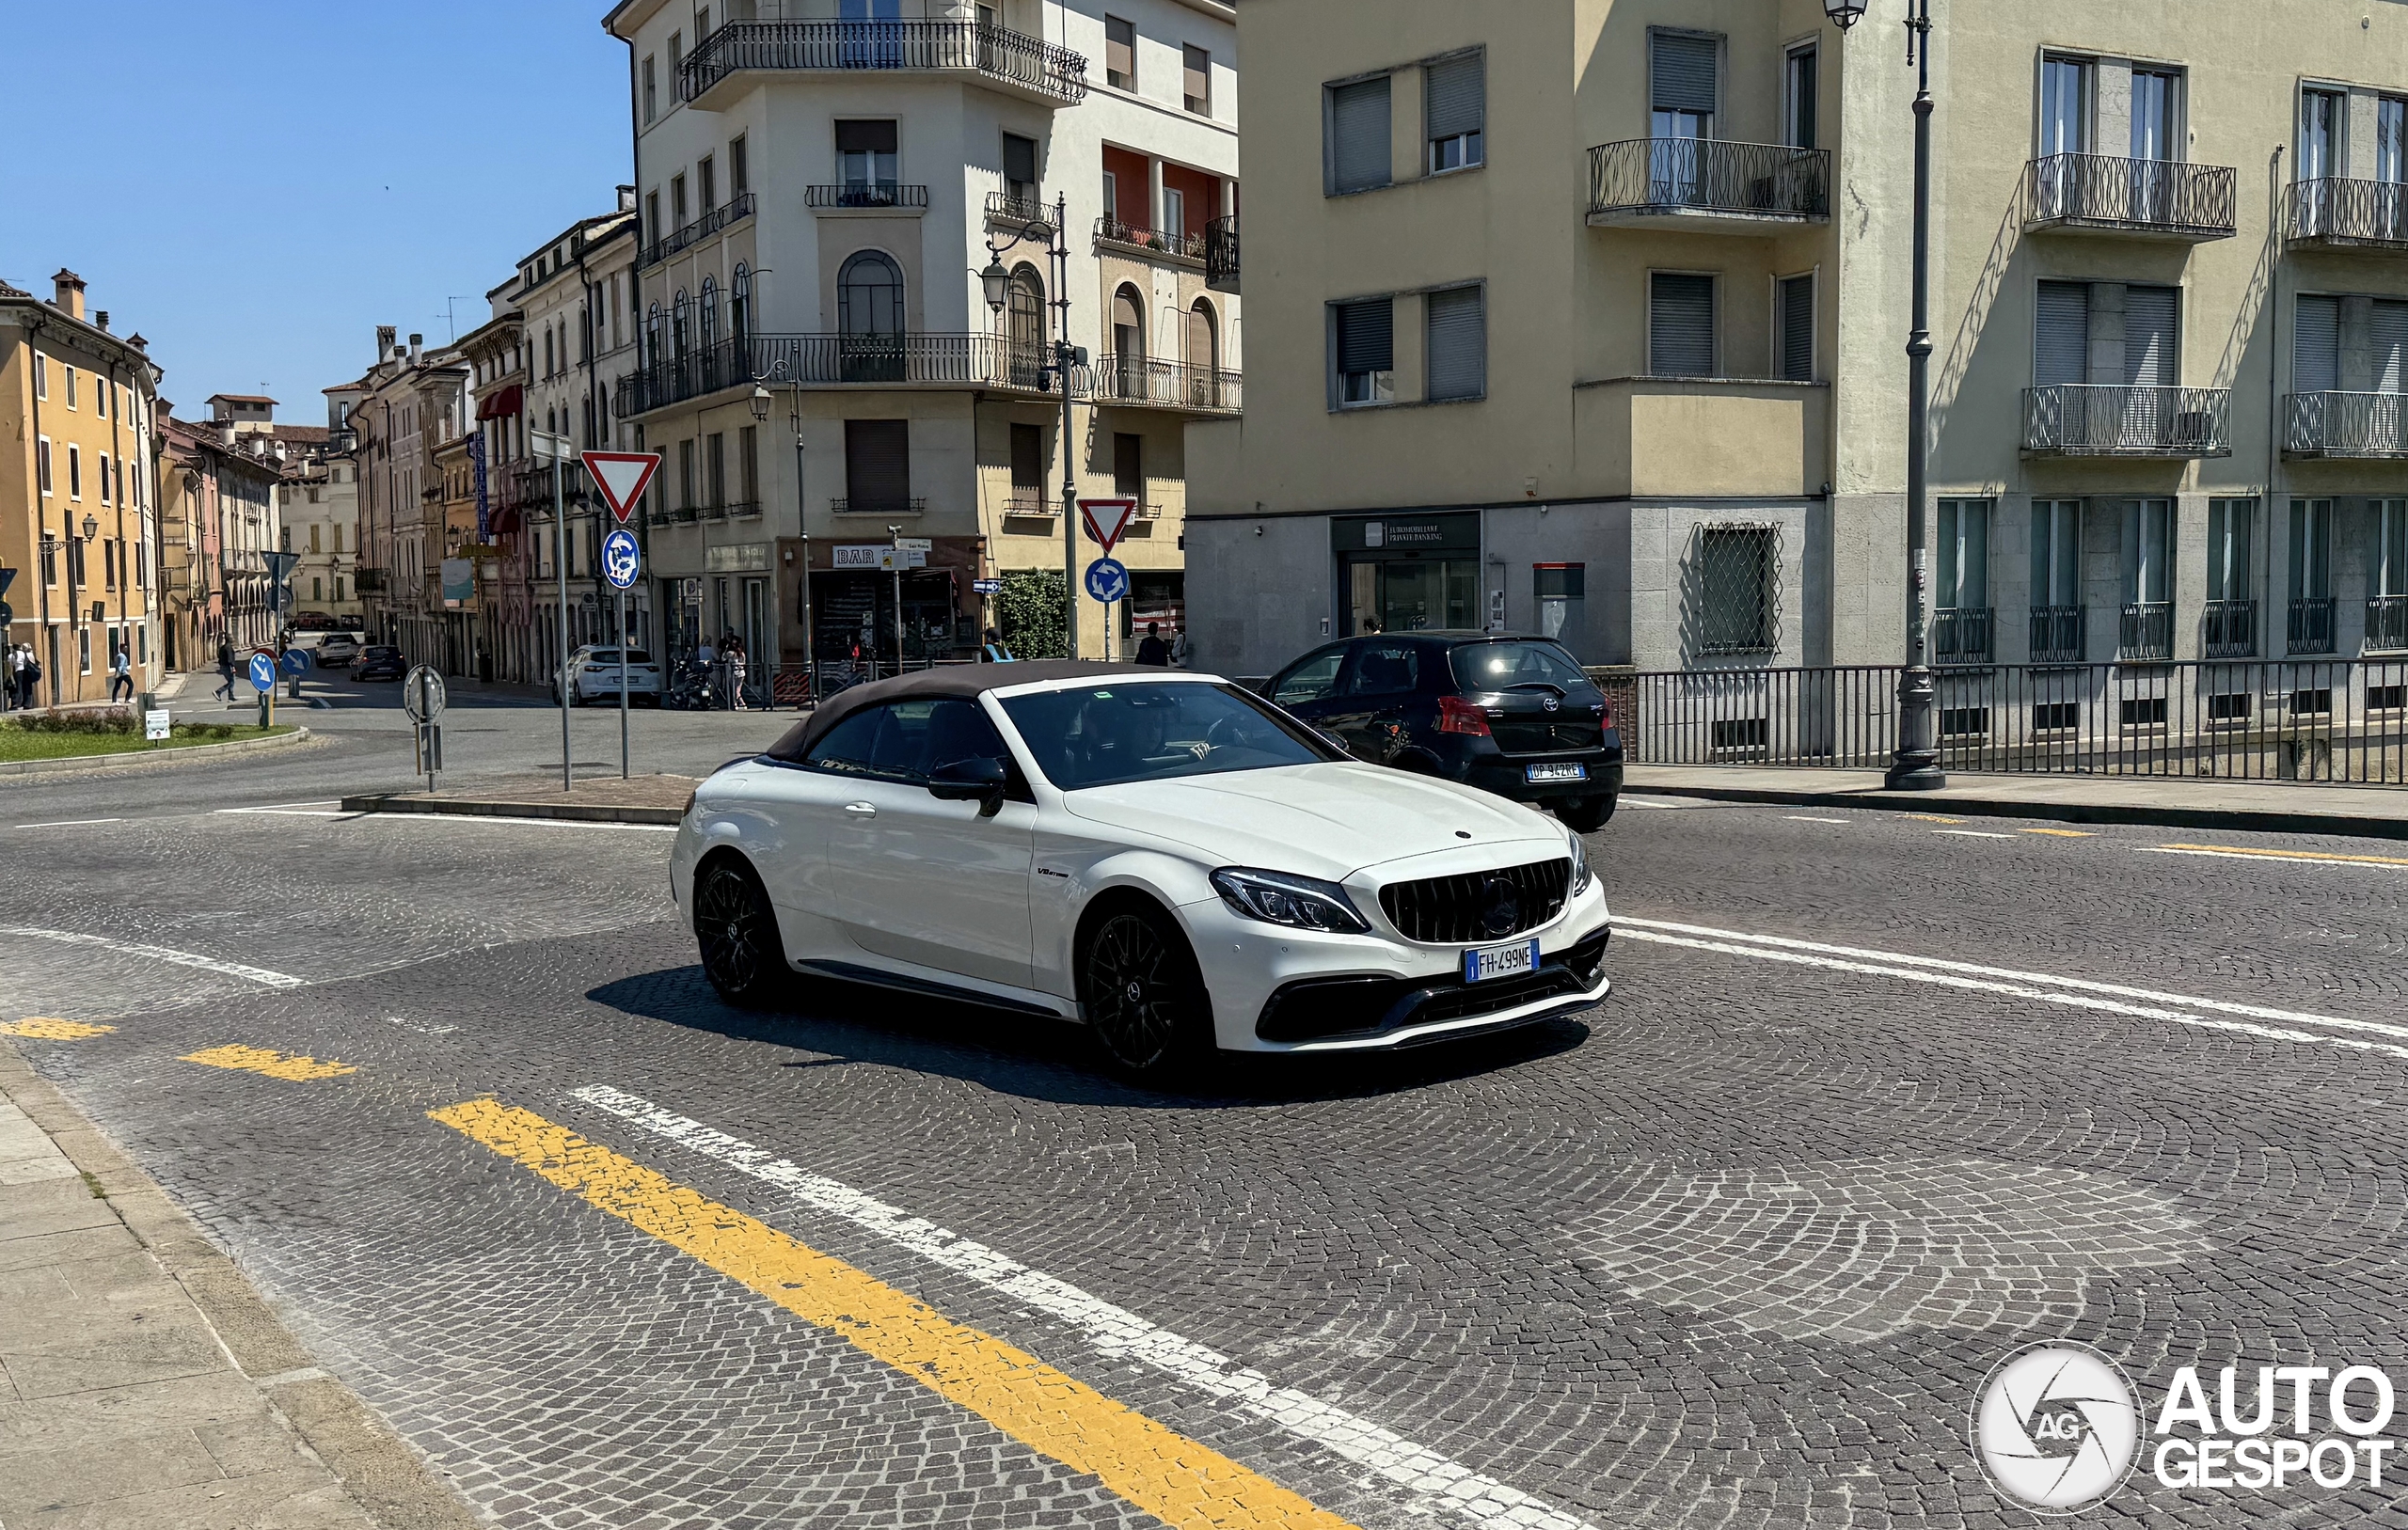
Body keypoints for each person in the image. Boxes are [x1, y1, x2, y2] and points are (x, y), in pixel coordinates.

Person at [725, 637, 749, 711]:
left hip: (733, 673)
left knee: (735, 690)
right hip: (741, 673)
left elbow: (723, 658)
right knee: (737, 690)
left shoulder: (730, 653)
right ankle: (736, 703)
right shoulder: (742, 654)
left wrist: (726, 649)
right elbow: (744, 663)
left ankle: (741, 703)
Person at [212, 638, 237, 702]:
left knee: (231, 681)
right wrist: (232, 666)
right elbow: (230, 658)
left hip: (222, 666)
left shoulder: (223, 648)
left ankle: (231, 696)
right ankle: (218, 692)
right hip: (227, 666)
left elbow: (219, 656)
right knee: (231, 681)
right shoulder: (229, 648)